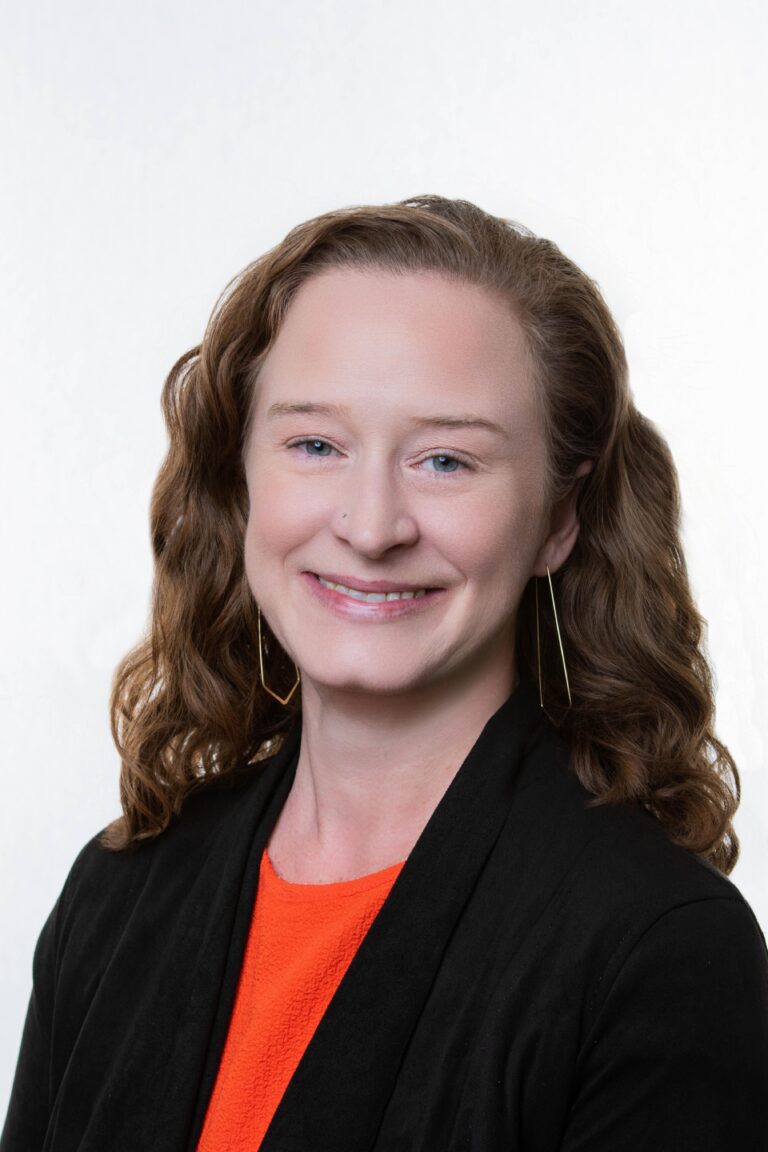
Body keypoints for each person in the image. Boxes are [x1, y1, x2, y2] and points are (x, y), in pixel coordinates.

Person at [2, 194, 767, 1152]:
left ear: (560, 521)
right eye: (315, 445)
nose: (371, 526)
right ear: (242, 481)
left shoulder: (660, 951)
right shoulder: (116, 898)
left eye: (446, 460)